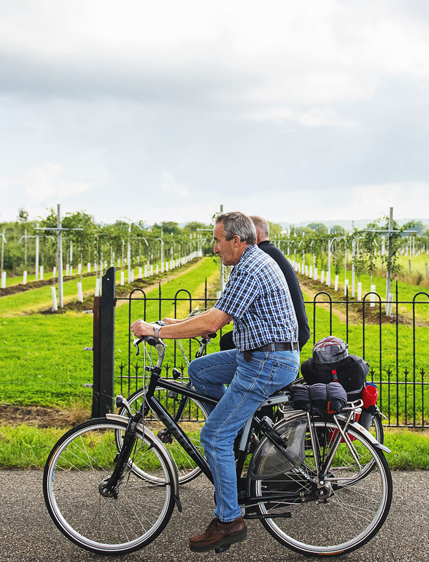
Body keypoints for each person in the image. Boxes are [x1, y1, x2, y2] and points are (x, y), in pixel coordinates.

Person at [130, 211, 298, 553]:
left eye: (217, 241)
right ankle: (230, 433)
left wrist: (157, 331)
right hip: (258, 354)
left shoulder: (251, 267)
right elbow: (218, 312)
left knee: (213, 436)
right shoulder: (249, 263)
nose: (215, 248)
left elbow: (213, 324)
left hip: (267, 361)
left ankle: (228, 519)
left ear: (237, 241)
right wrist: (179, 322)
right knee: (200, 371)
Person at [218, 215, 310, 352]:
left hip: (282, 337)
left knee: (227, 343)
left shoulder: (256, 258)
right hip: (294, 331)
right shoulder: (271, 253)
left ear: (254, 232)